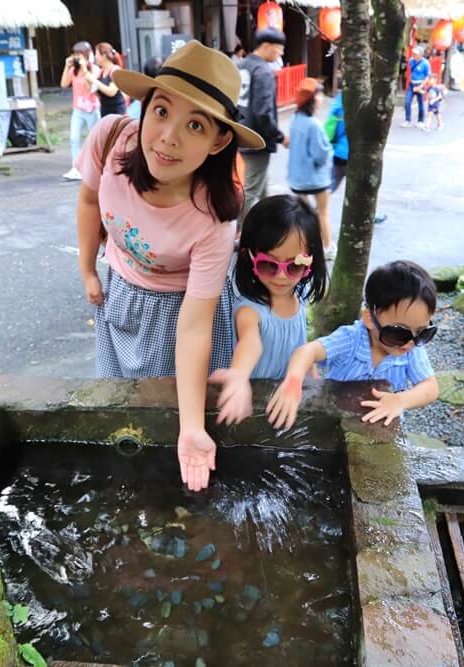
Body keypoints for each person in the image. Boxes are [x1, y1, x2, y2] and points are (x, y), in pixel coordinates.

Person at [74, 41, 265, 491]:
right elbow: (87, 199)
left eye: (194, 125)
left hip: (179, 314)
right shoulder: (110, 138)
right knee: (127, 414)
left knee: (177, 425)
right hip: (122, 294)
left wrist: (192, 428)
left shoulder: (214, 217)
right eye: (161, 112)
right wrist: (87, 268)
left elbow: (195, 326)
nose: (168, 137)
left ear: (219, 139)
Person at [266, 260, 440, 430]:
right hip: (336, 418)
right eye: (398, 332)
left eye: (423, 333)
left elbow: (431, 388)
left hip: (381, 424)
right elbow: (307, 351)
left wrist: (400, 400)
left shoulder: (412, 349)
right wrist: (293, 382)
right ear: (370, 319)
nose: (411, 341)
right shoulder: (350, 340)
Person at [208, 195, 328, 425]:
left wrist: (310, 370)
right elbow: (250, 342)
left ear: (311, 263)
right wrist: (239, 376)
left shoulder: (299, 296)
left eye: (295, 266)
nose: (282, 276)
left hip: (286, 394)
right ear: (249, 257)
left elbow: (301, 342)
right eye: (268, 264)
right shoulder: (250, 310)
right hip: (251, 401)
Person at [237, 28, 288, 221]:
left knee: (260, 181)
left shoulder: (242, 65)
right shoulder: (263, 72)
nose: (280, 54)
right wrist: (280, 136)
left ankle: (271, 218)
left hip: (242, 134)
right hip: (257, 139)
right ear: (266, 46)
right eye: (279, 49)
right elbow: (263, 113)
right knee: (251, 190)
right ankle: (241, 232)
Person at [286, 78, 334, 258]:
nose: (321, 98)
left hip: (296, 179)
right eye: (319, 94)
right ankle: (327, 248)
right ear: (311, 99)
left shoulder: (295, 118)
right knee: (322, 213)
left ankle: (303, 246)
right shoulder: (314, 125)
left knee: (301, 215)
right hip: (315, 178)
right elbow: (321, 155)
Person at [323, 94, 387, 224]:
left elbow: (332, 123)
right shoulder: (363, 98)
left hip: (339, 152)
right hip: (356, 153)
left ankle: (313, 206)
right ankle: (370, 213)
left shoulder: (340, 99)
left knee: (332, 183)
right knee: (365, 187)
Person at [62, 41, 101, 181]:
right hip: (78, 110)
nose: (77, 57)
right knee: (74, 138)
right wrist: (67, 66)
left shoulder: (95, 69)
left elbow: (92, 87)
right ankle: (76, 168)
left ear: (87, 55)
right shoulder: (74, 70)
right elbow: (64, 83)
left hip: (92, 109)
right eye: (75, 54)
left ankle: (95, 167)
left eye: (79, 54)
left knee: (94, 139)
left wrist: (85, 68)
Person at [92, 42, 126, 117]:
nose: (95, 56)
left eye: (96, 54)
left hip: (117, 111)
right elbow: (97, 93)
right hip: (104, 110)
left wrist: (94, 81)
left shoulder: (115, 70)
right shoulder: (100, 71)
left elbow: (111, 92)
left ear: (103, 55)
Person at [401, 46, 431, 128]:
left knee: (420, 103)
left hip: (420, 84)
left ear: (421, 54)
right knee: (407, 102)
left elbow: (427, 77)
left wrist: (421, 87)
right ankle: (407, 120)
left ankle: (420, 121)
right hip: (412, 84)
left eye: (416, 53)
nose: (414, 54)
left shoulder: (425, 63)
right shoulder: (411, 61)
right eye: (414, 53)